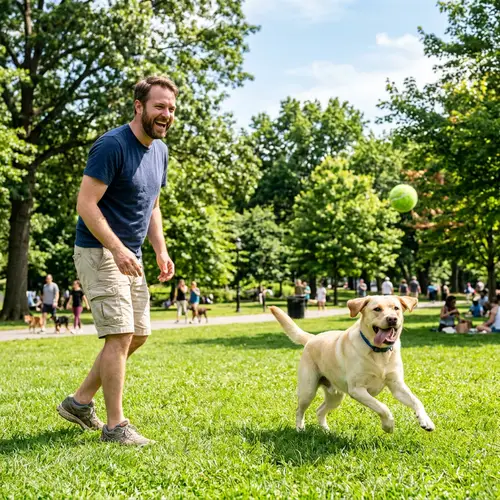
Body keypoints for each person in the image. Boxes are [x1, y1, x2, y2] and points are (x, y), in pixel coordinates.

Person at [57, 76, 177, 446]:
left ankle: (78, 403)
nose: (166, 115)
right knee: (120, 334)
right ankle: (115, 427)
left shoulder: (160, 151)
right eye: (159, 106)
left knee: (137, 335)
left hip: (132, 254)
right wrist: (117, 248)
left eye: (171, 109)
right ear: (139, 106)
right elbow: (86, 204)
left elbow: (152, 205)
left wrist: (160, 248)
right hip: (99, 250)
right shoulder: (112, 145)